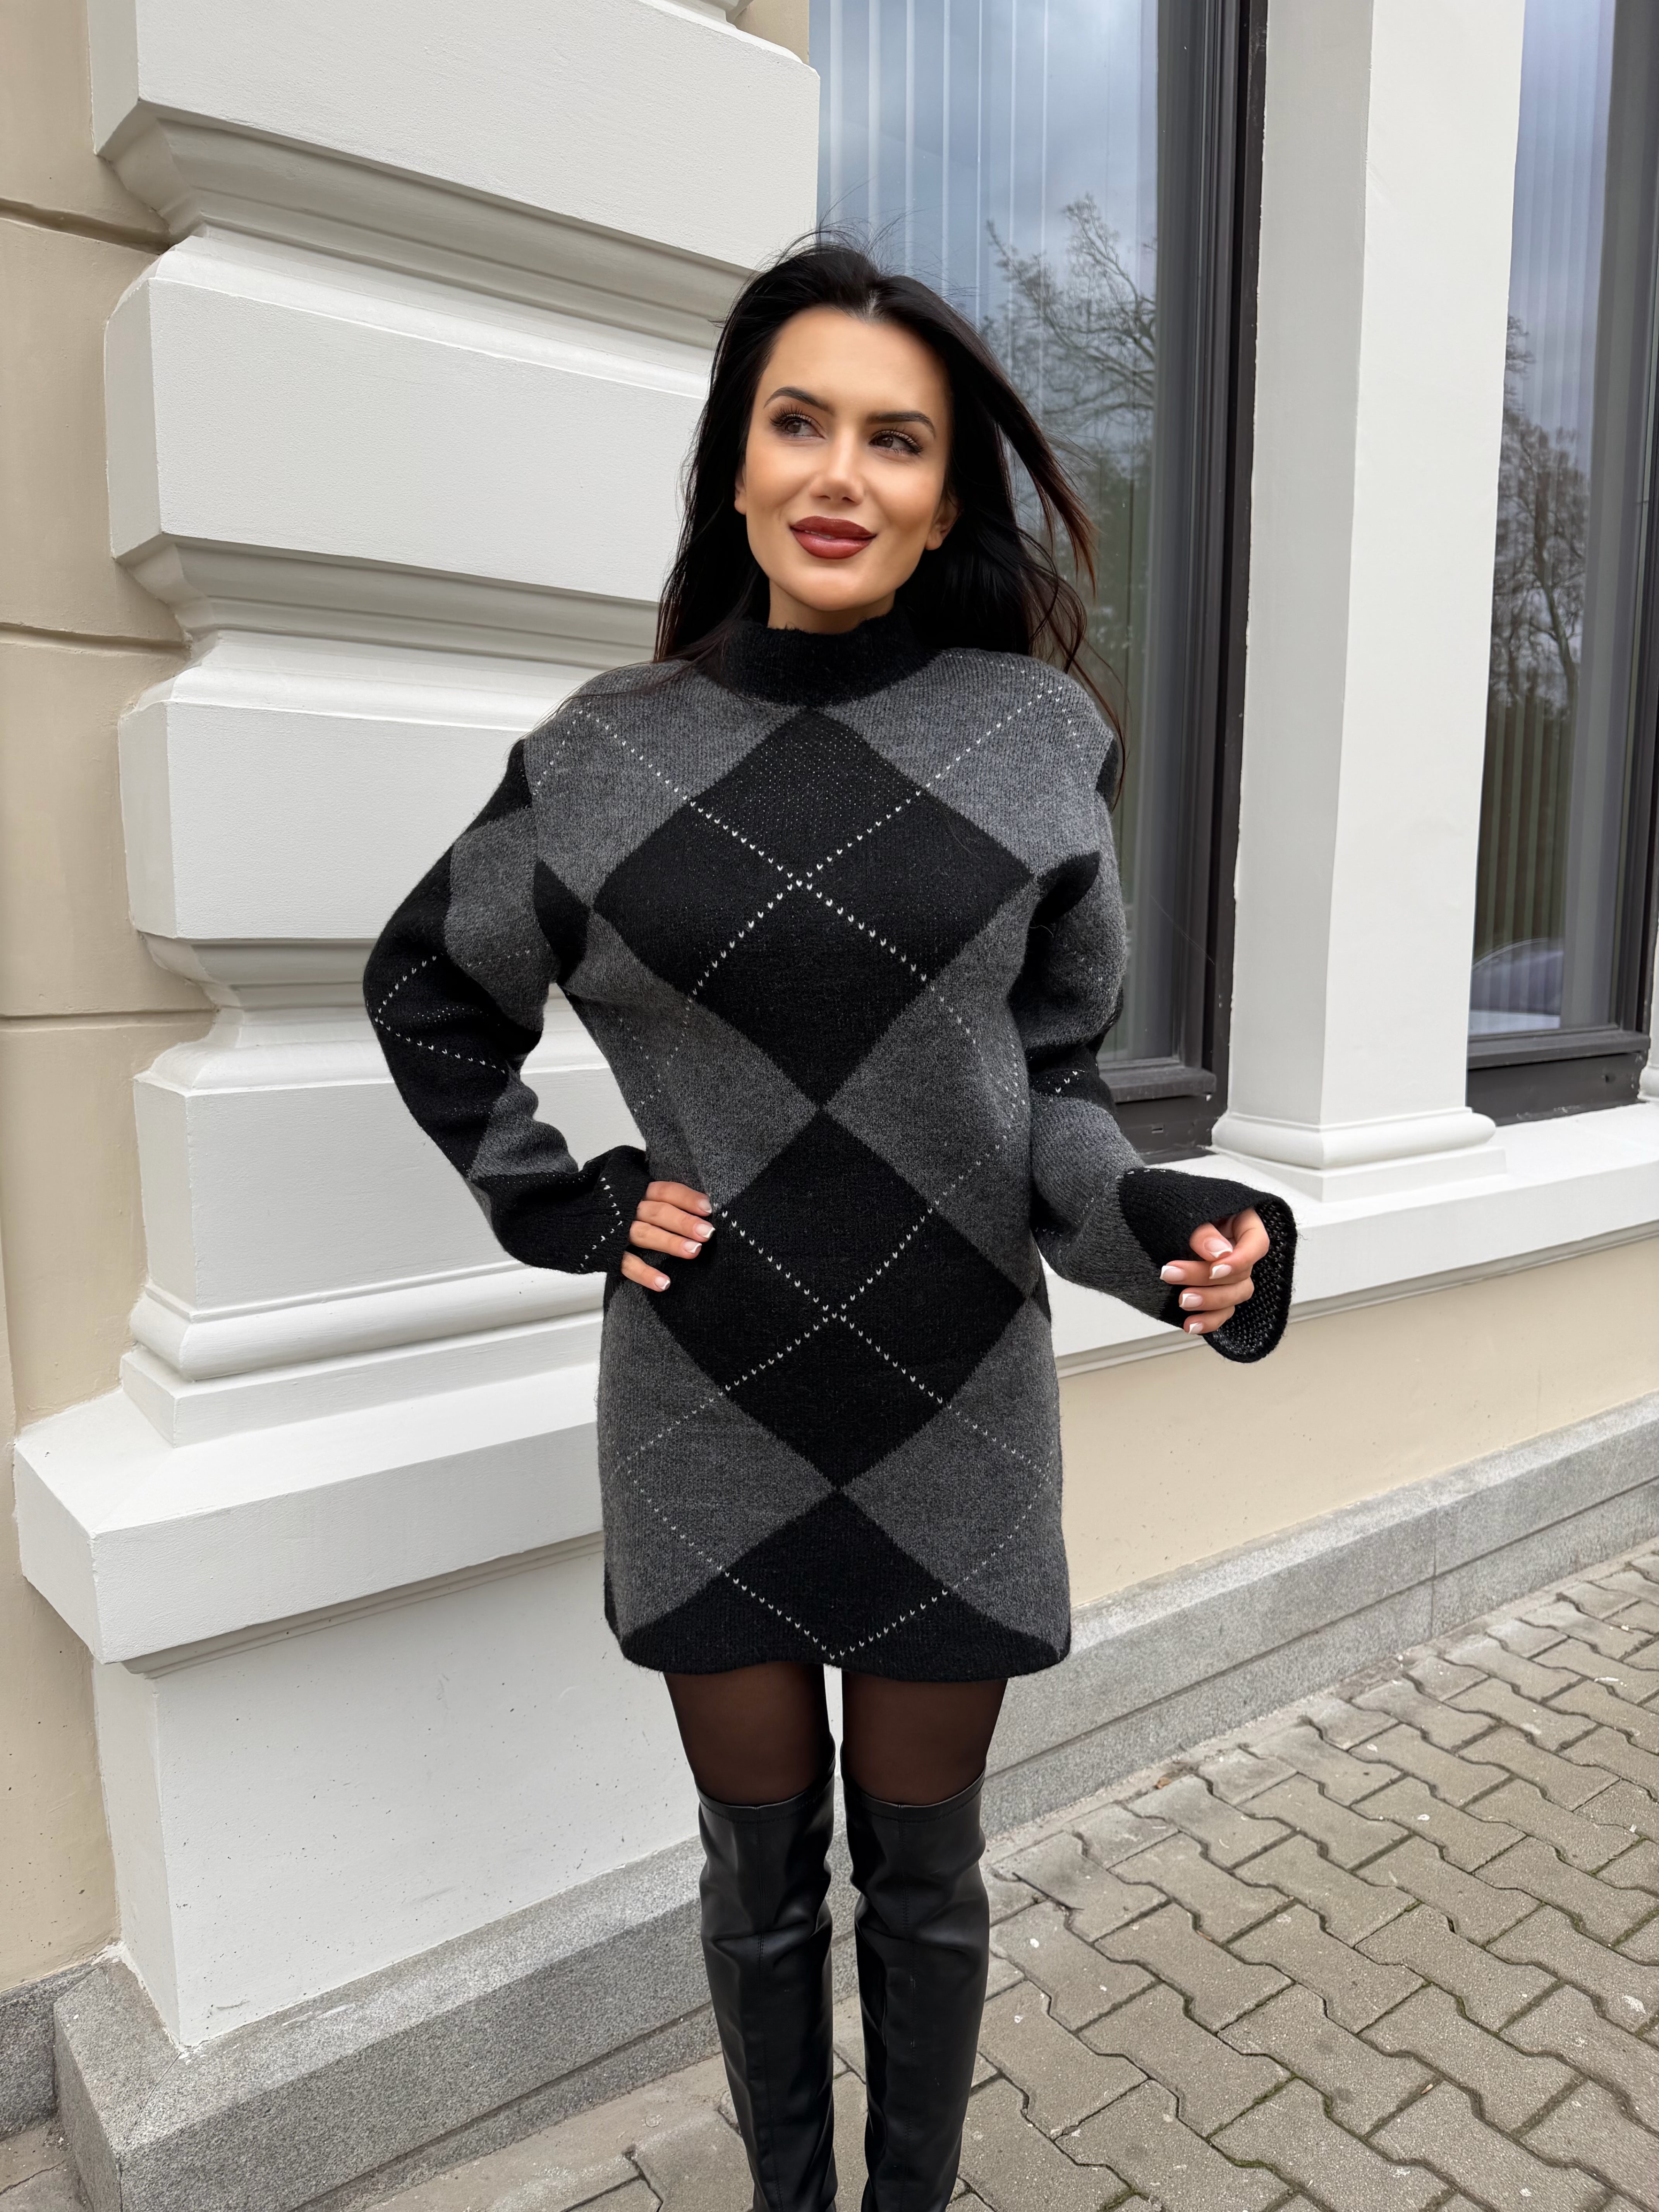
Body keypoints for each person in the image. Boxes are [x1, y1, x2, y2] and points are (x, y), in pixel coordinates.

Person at [364, 234, 1295, 2212]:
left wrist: (1173, 1230)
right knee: (758, 1874)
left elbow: (1052, 1095)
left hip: (959, 1402)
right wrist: (563, 1201)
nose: (841, 475)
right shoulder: (600, 757)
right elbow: (428, 987)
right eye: (800, 424)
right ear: (735, 461)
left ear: (947, 497)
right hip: (706, 1406)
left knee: (927, 1876)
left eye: (897, 440)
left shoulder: (1034, 742)